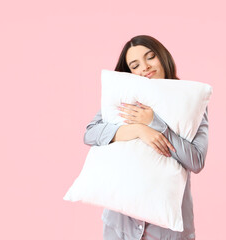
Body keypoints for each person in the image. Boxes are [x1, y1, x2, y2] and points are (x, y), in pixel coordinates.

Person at [83, 35, 209, 240]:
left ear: (163, 57)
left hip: (168, 231)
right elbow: (90, 133)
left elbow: (196, 160)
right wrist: (140, 130)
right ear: (129, 72)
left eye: (150, 57)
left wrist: (155, 124)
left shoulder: (189, 101)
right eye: (135, 65)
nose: (144, 67)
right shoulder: (127, 96)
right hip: (120, 225)